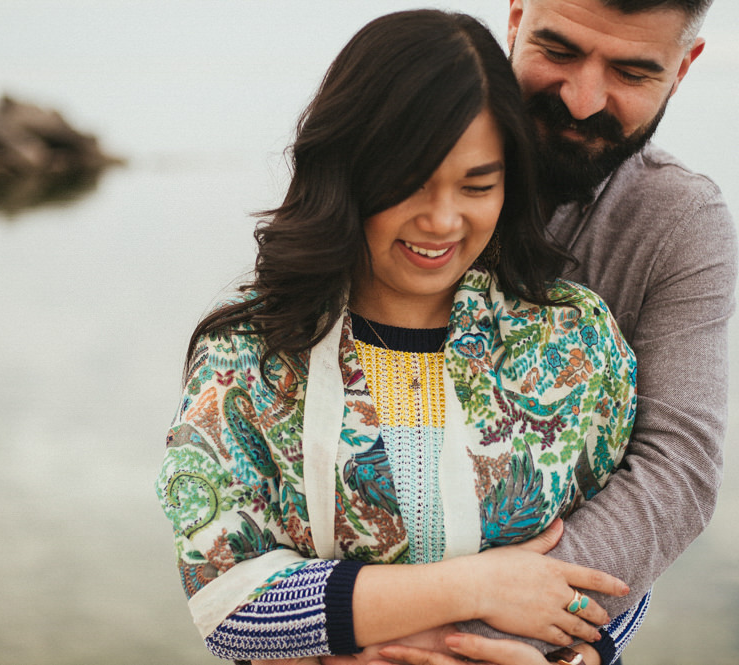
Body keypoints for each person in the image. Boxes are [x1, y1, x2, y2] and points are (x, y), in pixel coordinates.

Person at [155, 9, 646, 665]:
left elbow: (624, 566)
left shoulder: (573, 338)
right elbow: (227, 599)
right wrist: (475, 586)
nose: (442, 220)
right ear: (350, 167)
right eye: (411, 182)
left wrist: (587, 660)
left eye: (478, 185)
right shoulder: (253, 346)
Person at [380, 1, 736, 663]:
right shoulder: (377, 166)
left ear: (683, 68)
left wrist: (478, 642)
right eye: (561, 51)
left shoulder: (681, 221)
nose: (582, 100)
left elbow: (675, 473)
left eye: (632, 71)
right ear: (515, 16)